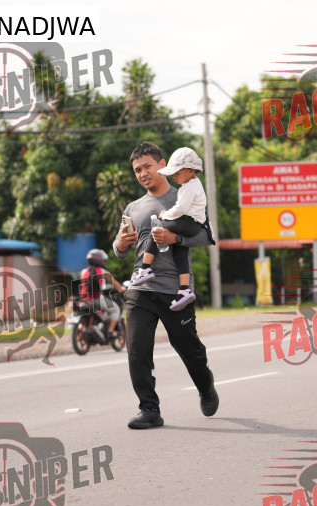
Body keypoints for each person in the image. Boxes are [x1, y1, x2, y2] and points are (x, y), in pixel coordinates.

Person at [114, 142, 218, 430]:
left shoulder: (185, 193)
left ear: (163, 165)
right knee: (137, 350)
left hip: (175, 290)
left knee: (189, 349)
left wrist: (177, 239)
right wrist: (119, 244)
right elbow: (120, 249)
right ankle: (149, 409)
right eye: (137, 170)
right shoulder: (133, 208)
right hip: (141, 290)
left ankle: (205, 386)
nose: (143, 173)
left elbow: (206, 236)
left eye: (148, 166)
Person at [129, 147, 208, 311]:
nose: (174, 176)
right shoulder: (192, 185)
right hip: (190, 224)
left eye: (177, 173)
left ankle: (145, 269)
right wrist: (177, 240)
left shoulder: (188, 187)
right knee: (180, 249)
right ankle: (184, 289)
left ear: (191, 170)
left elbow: (181, 209)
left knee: (157, 228)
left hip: (189, 222)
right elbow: (119, 250)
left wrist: (166, 215)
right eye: (137, 170)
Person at [80, 249, 127, 338]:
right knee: (116, 309)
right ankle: (110, 331)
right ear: (99, 260)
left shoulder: (83, 272)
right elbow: (116, 285)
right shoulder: (103, 272)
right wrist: (122, 288)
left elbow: (83, 286)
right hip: (97, 299)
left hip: (84, 300)